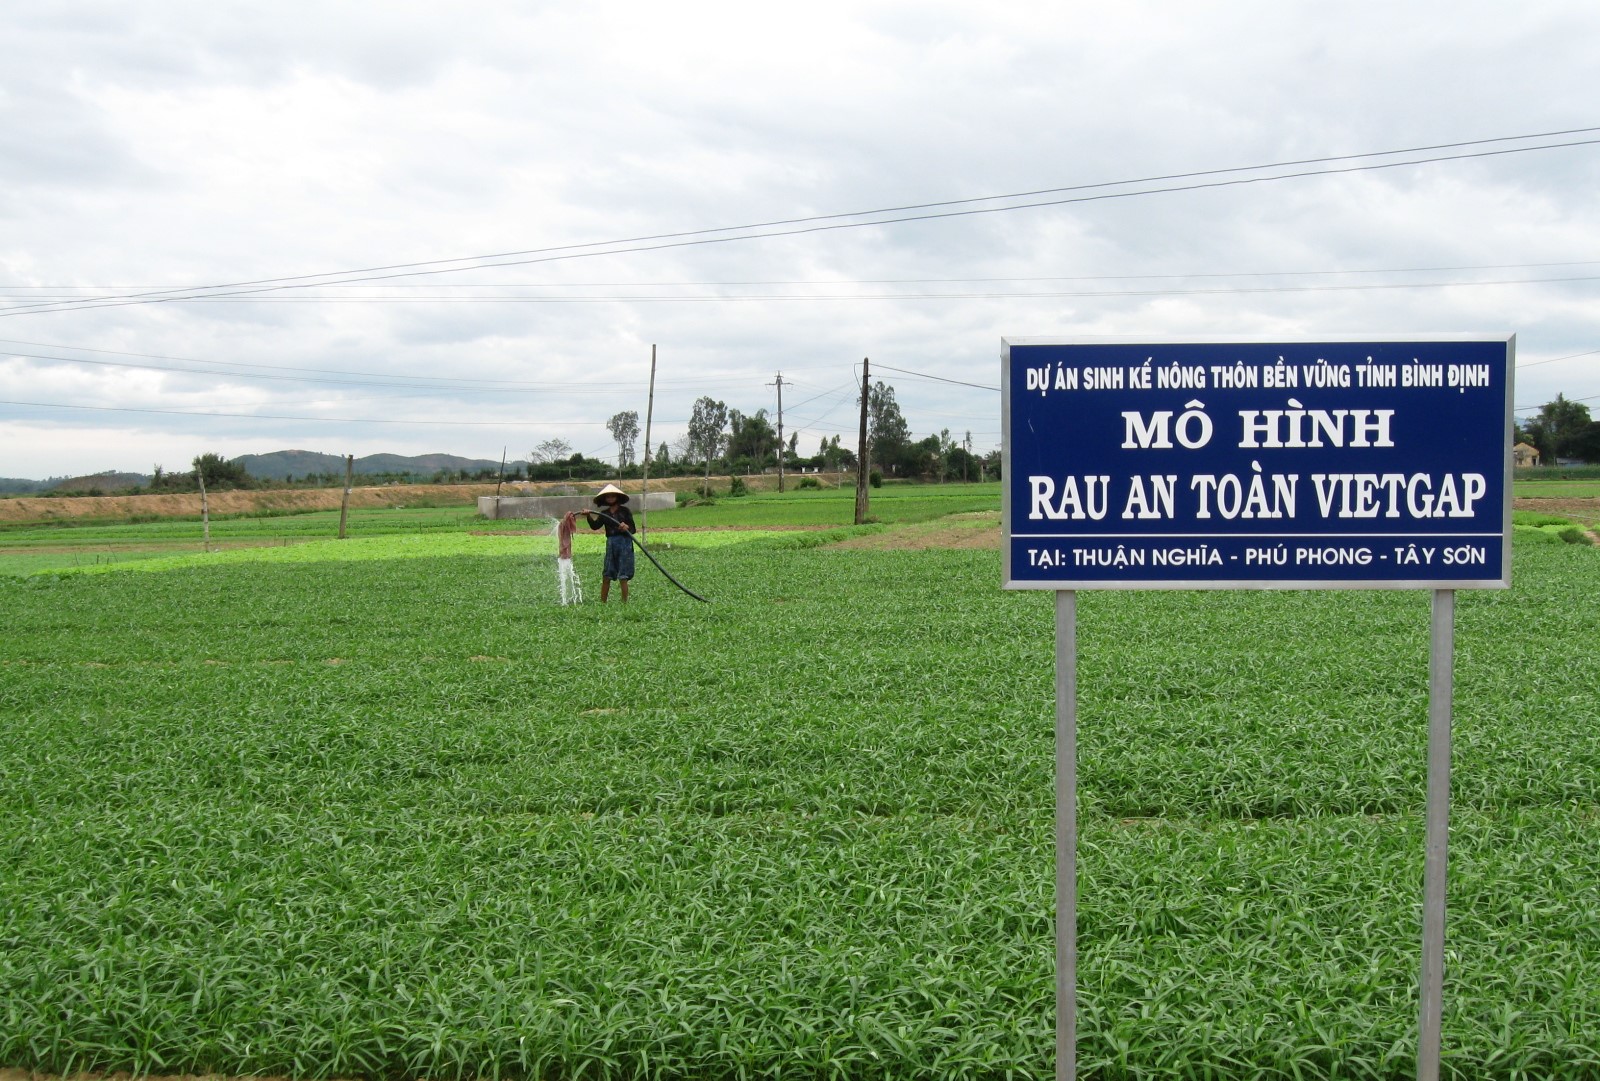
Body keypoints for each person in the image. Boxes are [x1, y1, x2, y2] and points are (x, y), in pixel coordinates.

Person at [584, 483, 635, 602]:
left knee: (623, 575)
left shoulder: (625, 511)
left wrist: (626, 527)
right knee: (607, 574)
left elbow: (633, 529)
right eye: (608, 497)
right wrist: (588, 516)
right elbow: (595, 526)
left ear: (617, 497)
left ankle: (624, 602)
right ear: (605, 499)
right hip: (611, 543)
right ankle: (603, 602)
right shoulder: (604, 514)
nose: (610, 498)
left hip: (624, 543)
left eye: (613, 496)